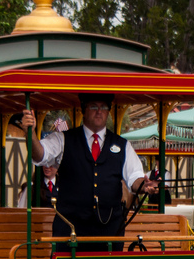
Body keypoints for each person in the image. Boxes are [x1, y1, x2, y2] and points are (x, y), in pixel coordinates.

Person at [20, 94, 157, 247]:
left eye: (104, 107)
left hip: (109, 230)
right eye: (93, 106)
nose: (99, 111)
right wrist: (30, 134)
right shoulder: (63, 139)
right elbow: (40, 155)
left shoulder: (122, 145)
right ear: (84, 110)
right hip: (70, 230)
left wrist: (144, 185)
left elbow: (135, 177)